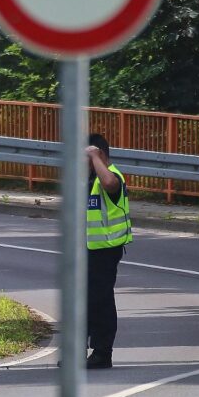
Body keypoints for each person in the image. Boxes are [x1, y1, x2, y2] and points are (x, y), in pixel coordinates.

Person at [84, 133, 132, 369]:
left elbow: (110, 184)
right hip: (89, 249)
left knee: (100, 300)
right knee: (82, 300)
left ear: (100, 154)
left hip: (105, 250)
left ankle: (102, 353)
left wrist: (94, 157)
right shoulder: (91, 180)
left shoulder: (111, 177)